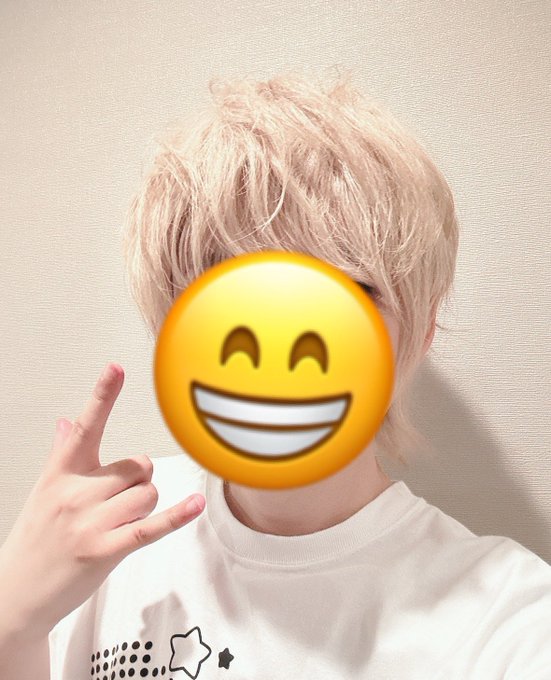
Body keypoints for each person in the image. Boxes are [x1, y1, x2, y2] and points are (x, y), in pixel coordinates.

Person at [1, 70, 549, 680]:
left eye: (341, 291)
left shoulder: (508, 621)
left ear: (419, 333)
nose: (274, 342)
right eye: (225, 289)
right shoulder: (104, 535)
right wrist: (12, 624)